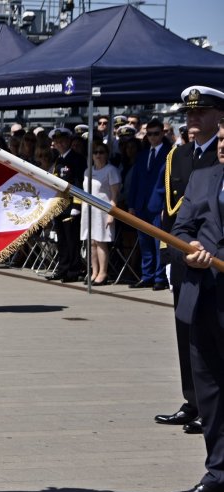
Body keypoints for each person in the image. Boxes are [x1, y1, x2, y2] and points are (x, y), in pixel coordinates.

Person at [154, 86, 224, 435]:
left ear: (218, 117)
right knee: (187, 333)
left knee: (210, 337)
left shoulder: (220, 156)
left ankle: (210, 406)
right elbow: (171, 214)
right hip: (185, 256)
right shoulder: (178, 156)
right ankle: (192, 398)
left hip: (215, 262)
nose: (192, 119)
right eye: (189, 113)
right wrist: (170, 255)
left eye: (201, 112)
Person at [166, 116, 224, 492]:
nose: (221, 144)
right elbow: (180, 228)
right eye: (222, 138)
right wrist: (189, 250)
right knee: (210, 394)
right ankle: (218, 474)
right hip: (203, 299)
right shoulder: (203, 178)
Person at [128, 118, 171, 290]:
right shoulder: (143, 155)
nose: (152, 137)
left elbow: (170, 183)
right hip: (141, 205)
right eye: (149, 134)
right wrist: (131, 205)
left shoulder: (169, 154)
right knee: (144, 242)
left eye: (156, 134)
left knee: (158, 243)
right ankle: (147, 275)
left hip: (158, 205)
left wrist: (165, 207)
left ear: (162, 133)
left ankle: (160, 278)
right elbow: (135, 182)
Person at [46, 127, 87, 282]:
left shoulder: (77, 159)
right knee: (61, 240)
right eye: (57, 142)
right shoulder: (58, 159)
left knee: (72, 241)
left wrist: (77, 206)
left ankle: (73, 270)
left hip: (71, 205)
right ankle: (62, 268)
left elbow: (78, 183)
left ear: (69, 141)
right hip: (59, 205)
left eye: (62, 141)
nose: (60, 144)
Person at [80, 142, 120, 285]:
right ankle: (94, 271)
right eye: (95, 152)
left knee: (101, 242)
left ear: (107, 154)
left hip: (103, 210)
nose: (98, 155)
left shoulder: (111, 170)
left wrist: (111, 213)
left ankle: (103, 273)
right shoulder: (87, 171)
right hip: (88, 210)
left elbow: (115, 195)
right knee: (91, 242)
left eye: (101, 152)